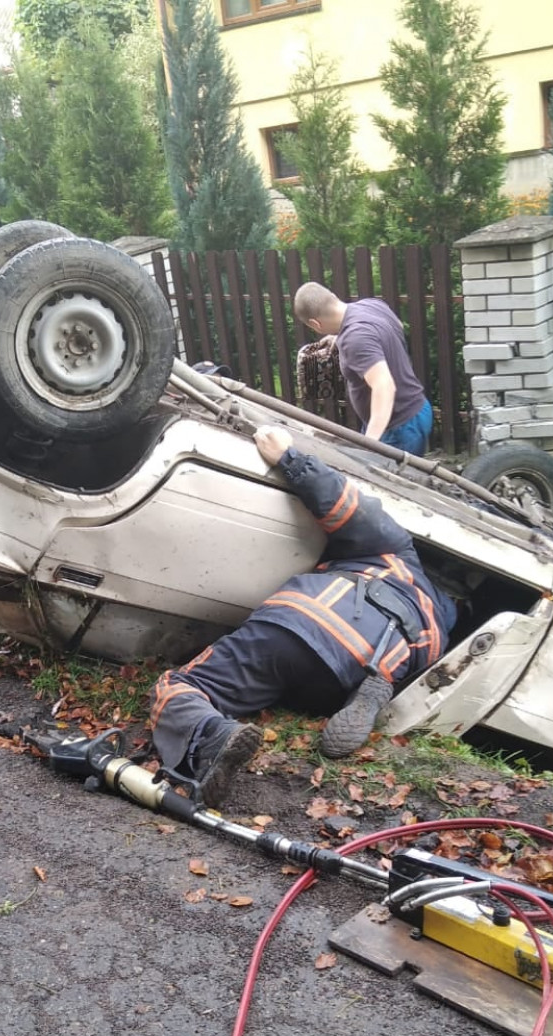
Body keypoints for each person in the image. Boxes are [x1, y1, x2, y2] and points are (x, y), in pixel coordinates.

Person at [148, 425, 456, 807]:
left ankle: (211, 732)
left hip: (306, 622)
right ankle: (362, 696)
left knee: (179, 685)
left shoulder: (398, 554)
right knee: (319, 680)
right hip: (354, 673)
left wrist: (289, 458)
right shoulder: (438, 633)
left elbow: (348, 507)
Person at [293, 281, 433, 457]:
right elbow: (397, 325)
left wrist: (369, 444)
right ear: (333, 297)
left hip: (398, 427)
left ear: (315, 324)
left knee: (384, 482)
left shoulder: (354, 339)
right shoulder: (372, 305)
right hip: (414, 409)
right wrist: (342, 336)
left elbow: (385, 387)